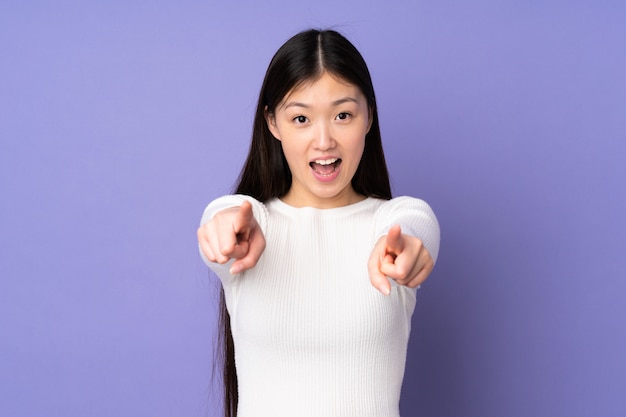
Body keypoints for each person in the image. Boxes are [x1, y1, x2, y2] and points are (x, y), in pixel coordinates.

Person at [197, 29, 440, 417]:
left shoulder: (394, 222)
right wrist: (221, 227)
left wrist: (408, 248)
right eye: (301, 118)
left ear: (369, 118)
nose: (324, 140)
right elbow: (224, 217)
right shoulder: (249, 228)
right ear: (273, 123)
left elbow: (415, 226)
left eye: (343, 115)